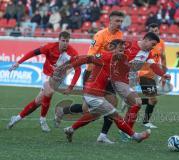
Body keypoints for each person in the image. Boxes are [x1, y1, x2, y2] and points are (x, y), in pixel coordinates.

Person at [58, 39, 151, 143]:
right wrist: (69, 66)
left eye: (123, 50)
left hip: (96, 94)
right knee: (115, 115)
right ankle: (136, 136)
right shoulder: (105, 56)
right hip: (92, 93)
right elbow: (86, 58)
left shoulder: (116, 60)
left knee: (95, 114)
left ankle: (71, 129)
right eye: (120, 50)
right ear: (112, 48)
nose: (122, 52)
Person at [54, 10, 125, 144]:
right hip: (92, 74)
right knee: (87, 110)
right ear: (110, 20)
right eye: (117, 21)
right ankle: (62, 111)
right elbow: (90, 56)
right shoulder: (100, 35)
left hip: (106, 75)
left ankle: (102, 135)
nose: (119, 24)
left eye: (121, 21)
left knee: (112, 103)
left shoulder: (120, 35)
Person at [7, 31, 81, 132]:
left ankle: (16, 118)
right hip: (46, 74)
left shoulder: (72, 53)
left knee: (38, 102)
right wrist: (19, 62)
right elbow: (33, 52)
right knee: (49, 92)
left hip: (57, 79)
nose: (65, 43)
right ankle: (42, 119)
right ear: (59, 40)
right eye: (63, 41)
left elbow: (78, 70)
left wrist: (70, 87)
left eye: (67, 41)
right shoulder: (49, 47)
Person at [137, 23, 167, 129]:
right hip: (144, 74)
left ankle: (133, 101)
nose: (155, 32)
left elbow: (163, 57)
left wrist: (163, 71)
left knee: (153, 100)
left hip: (153, 74)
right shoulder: (145, 44)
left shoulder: (161, 43)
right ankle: (145, 122)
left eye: (156, 30)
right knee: (153, 99)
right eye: (152, 31)